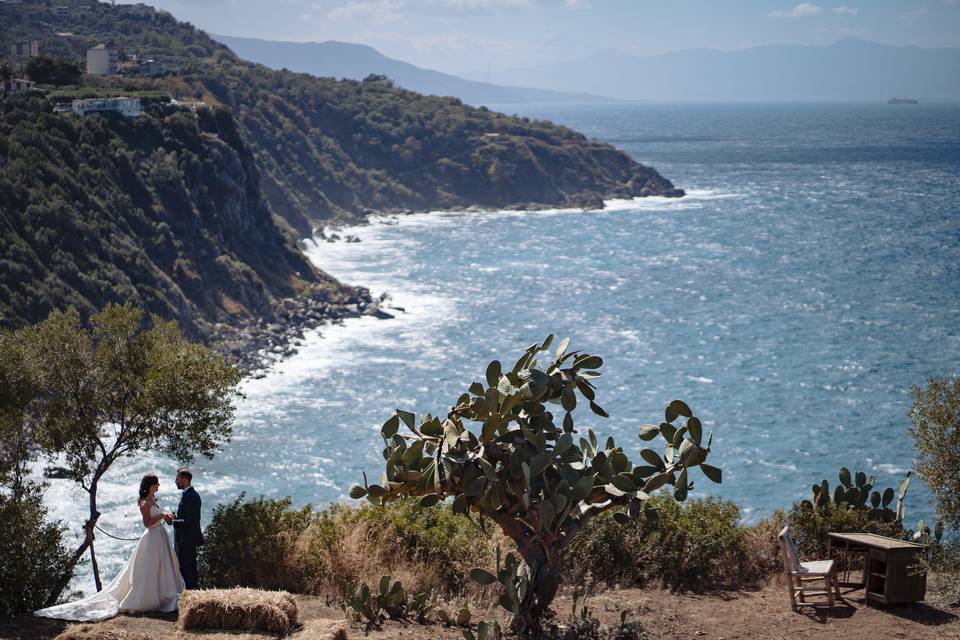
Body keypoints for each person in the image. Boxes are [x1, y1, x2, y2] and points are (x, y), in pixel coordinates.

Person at [35, 473, 184, 621]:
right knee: (150, 569)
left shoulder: (153, 500)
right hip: (152, 538)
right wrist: (161, 515)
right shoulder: (145, 502)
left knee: (163, 568)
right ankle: (149, 599)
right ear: (151, 486)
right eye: (157, 483)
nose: (159, 486)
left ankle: (165, 597)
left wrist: (166, 517)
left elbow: (156, 519)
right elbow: (147, 523)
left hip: (160, 536)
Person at [170, 468, 203, 589]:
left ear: (184, 480)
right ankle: (194, 597)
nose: (175, 481)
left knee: (187, 570)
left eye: (177, 479)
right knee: (189, 570)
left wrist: (173, 521)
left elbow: (190, 520)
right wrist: (177, 518)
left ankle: (192, 597)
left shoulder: (191, 496)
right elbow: (186, 518)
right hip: (185, 540)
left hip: (186, 540)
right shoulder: (188, 495)